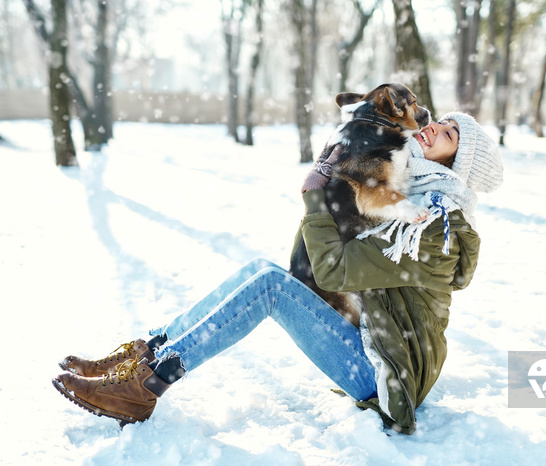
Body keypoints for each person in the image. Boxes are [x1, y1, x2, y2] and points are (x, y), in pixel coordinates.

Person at [53, 111, 504, 435]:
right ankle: (149, 351)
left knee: (269, 287)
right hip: (370, 343)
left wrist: (316, 196)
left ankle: (147, 385)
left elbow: (331, 270)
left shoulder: (435, 226)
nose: (433, 127)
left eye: (448, 134)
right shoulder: (406, 195)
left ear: (456, 164)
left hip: (385, 377)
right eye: (441, 121)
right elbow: (317, 258)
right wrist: (333, 183)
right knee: (262, 270)